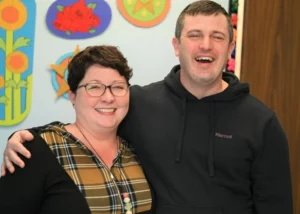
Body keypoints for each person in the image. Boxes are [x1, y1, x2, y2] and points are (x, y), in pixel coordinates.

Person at [1, 1, 293, 214]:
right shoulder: (138, 102)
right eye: (195, 36)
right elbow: (90, 122)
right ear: (177, 45)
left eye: (217, 37)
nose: (206, 45)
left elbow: (276, 206)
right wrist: (25, 137)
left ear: (230, 48)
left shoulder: (261, 122)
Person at [0, 45, 153, 214]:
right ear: (73, 96)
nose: (108, 98)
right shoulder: (35, 149)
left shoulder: (137, 149)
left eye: (118, 87)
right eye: (94, 87)